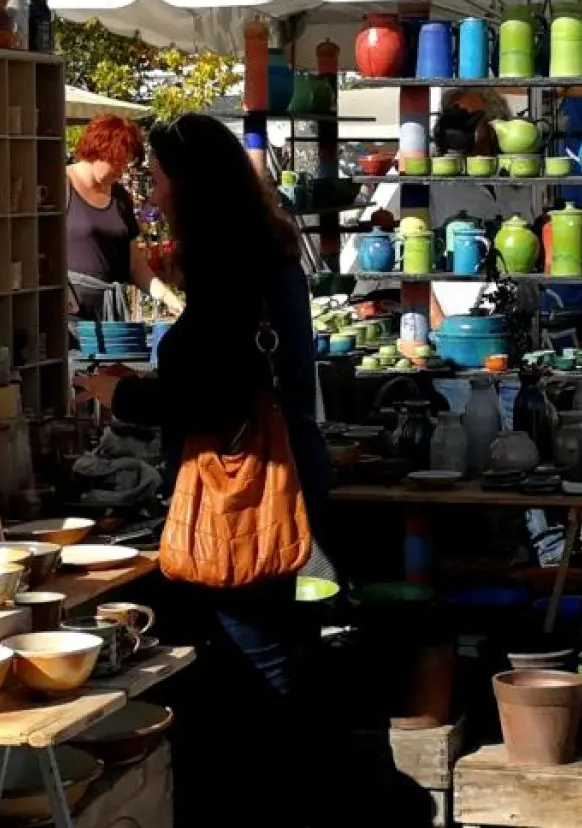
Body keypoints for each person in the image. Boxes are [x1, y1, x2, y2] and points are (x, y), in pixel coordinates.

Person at [72, 113, 332, 826]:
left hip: (243, 494)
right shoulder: (261, 254)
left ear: (192, 184)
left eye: (156, 179)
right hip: (276, 477)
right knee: (269, 654)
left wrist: (117, 392)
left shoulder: (231, 270)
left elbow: (211, 395)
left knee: (257, 665)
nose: (151, 195)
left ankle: (263, 805)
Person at [65, 115, 183, 319]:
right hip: (71, 313)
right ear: (99, 150)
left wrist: (167, 297)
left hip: (111, 314)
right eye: (118, 162)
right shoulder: (62, 185)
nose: (122, 170)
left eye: (126, 163)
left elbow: (135, 265)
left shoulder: (119, 197)